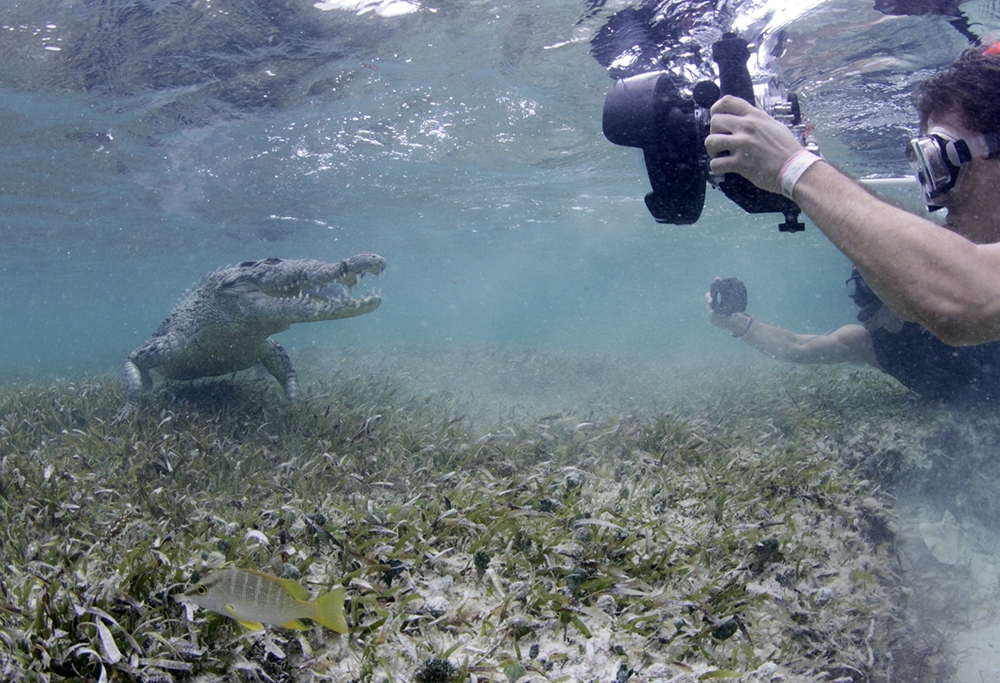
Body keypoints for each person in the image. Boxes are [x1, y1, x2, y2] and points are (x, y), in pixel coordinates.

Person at [704, 45, 1000, 347]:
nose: (938, 198)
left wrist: (795, 169)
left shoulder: (974, 285)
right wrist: (806, 172)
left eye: (943, 163)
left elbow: (961, 299)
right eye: (927, 168)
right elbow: (910, 297)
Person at [705, 270, 1000, 402]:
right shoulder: (866, 343)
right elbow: (795, 347)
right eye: (857, 286)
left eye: (870, 286)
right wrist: (737, 324)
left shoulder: (955, 317)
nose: (858, 298)